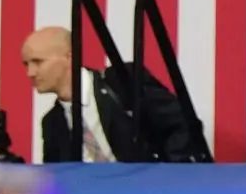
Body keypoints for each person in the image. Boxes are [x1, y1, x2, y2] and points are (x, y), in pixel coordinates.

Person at [21, 27, 202, 164]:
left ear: (69, 57)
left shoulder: (122, 81)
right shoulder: (52, 123)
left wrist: (169, 177)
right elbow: (58, 180)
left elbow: (183, 122)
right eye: (26, 64)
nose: (30, 72)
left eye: (38, 61)